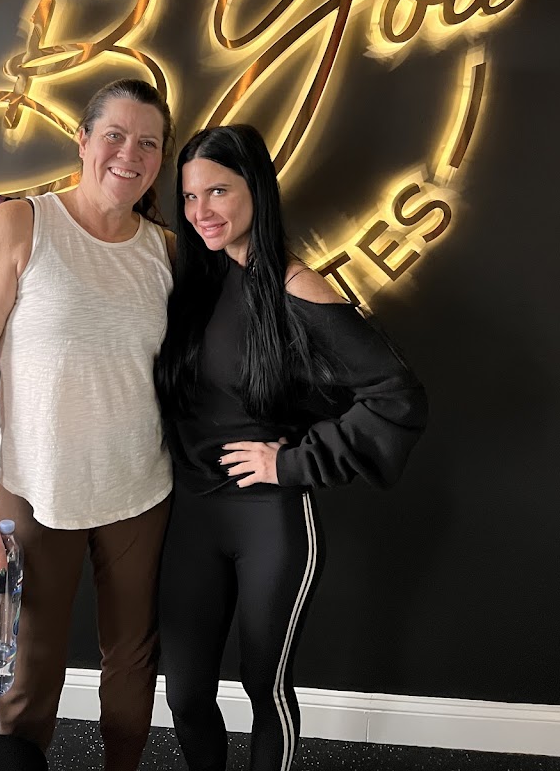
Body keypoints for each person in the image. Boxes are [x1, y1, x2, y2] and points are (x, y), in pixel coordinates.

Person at [154, 124, 428, 771]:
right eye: (190, 196)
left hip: (269, 518)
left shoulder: (296, 285)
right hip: (189, 514)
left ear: (256, 188)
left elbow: (398, 396)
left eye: (218, 191)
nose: (201, 211)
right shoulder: (191, 283)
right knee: (185, 695)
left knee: (264, 686)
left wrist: (293, 461)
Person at [0, 79, 175, 770]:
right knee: (28, 671)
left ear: (161, 159)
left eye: (148, 143)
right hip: (36, 492)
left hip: (140, 490)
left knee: (132, 663)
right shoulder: (22, 225)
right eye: (115, 136)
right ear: (83, 139)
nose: (129, 154)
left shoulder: (166, 251)